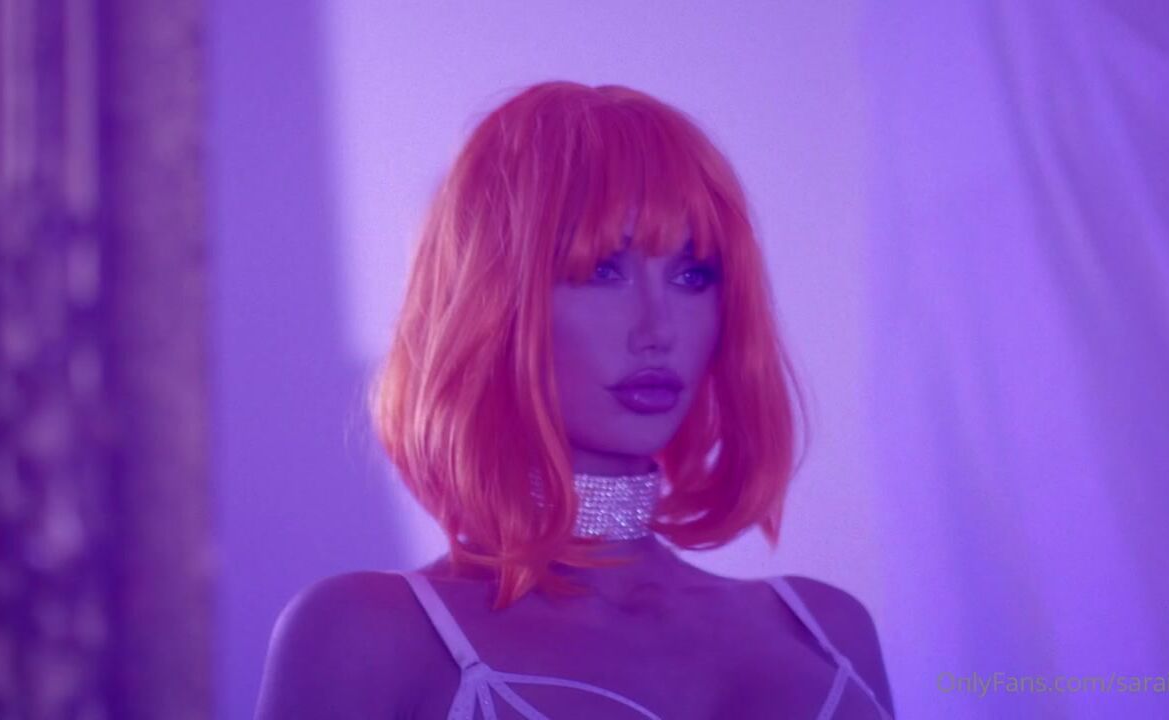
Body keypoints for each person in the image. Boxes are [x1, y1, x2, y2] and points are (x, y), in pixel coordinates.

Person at [255, 80, 895, 719]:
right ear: (493, 300)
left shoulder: (827, 630)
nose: (659, 329)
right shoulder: (368, 632)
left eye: (692, 274)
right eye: (601, 272)